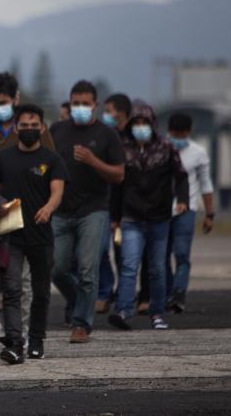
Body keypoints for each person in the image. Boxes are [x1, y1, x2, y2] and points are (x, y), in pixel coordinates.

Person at [0, 72, 55, 348]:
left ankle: (21, 327)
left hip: (27, 209)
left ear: (15, 99)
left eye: (3, 101)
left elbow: (51, 166)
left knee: (22, 275)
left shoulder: (35, 129)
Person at [0, 104, 67, 363]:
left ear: (42, 128)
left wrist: (48, 209)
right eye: (24, 126)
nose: (29, 130)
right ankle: (15, 343)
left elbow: (58, 190)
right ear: (15, 127)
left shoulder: (52, 159)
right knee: (11, 289)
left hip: (41, 234)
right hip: (10, 233)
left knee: (41, 292)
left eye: (34, 126)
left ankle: (37, 340)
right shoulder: (2, 158)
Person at [50, 80, 125, 343]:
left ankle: (81, 323)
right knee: (56, 268)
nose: (79, 108)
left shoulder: (107, 135)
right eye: (75, 103)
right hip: (60, 210)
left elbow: (118, 175)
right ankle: (82, 301)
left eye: (85, 103)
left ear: (95, 105)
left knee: (88, 269)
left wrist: (93, 161)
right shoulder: (57, 130)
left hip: (93, 211)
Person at [109, 102, 189, 331]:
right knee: (128, 265)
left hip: (159, 217)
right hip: (131, 218)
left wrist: (182, 200)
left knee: (157, 268)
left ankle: (157, 313)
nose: (141, 126)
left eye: (145, 122)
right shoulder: (122, 149)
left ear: (152, 124)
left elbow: (181, 176)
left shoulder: (166, 148)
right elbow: (117, 186)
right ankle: (124, 310)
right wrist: (115, 216)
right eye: (137, 123)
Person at [164, 113, 215, 313]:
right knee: (162, 255)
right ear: (168, 131)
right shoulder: (160, 149)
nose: (178, 137)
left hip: (187, 209)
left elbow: (205, 183)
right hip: (162, 210)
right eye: (174, 133)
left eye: (181, 133)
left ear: (188, 132)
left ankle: (178, 293)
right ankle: (166, 292)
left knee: (182, 254)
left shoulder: (198, 152)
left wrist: (209, 214)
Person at [96, 93, 132, 313]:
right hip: (104, 204)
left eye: (109, 110)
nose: (106, 115)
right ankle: (106, 289)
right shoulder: (105, 136)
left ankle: (123, 293)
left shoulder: (132, 139)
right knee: (100, 250)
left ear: (121, 112)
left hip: (127, 207)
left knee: (122, 253)